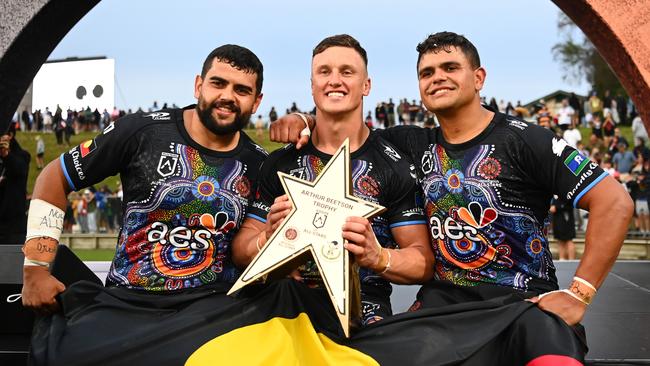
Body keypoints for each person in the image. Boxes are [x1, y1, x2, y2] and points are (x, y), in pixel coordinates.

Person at [272, 31, 633, 364]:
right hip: (442, 308)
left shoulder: (527, 139)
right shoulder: (409, 144)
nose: (437, 77)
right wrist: (305, 118)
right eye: (427, 73)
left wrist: (579, 293)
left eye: (450, 67)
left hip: (524, 305)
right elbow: (345, 124)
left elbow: (614, 201)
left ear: (479, 78)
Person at [21, 45, 268, 364]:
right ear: (198, 85)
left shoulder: (261, 165)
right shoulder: (142, 131)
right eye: (218, 83)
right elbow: (54, 176)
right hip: (126, 304)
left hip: (210, 314)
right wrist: (36, 271)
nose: (228, 96)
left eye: (242, 90)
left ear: (257, 101)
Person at [233, 34, 434, 326]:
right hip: (283, 304)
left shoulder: (394, 165)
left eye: (347, 72)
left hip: (361, 311)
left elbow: (423, 261)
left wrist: (377, 256)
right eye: (324, 72)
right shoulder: (281, 162)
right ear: (312, 85)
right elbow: (241, 251)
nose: (334, 80)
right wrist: (266, 239)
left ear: (366, 85)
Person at [0, 124, 30, 244]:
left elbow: (19, 169)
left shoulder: (22, 155)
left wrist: (6, 155)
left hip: (14, 224)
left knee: (12, 259)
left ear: (10, 136)